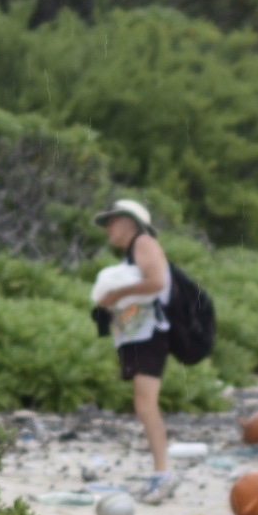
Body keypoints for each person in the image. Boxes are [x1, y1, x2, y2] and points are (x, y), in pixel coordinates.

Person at [89, 197, 173, 480]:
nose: (108, 229)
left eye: (112, 222)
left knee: (145, 404)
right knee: (144, 404)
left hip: (150, 337)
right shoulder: (132, 253)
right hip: (140, 337)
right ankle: (160, 469)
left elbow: (157, 281)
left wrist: (114, 296)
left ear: (129, 222)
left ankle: (162, 472)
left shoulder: (144, 243)